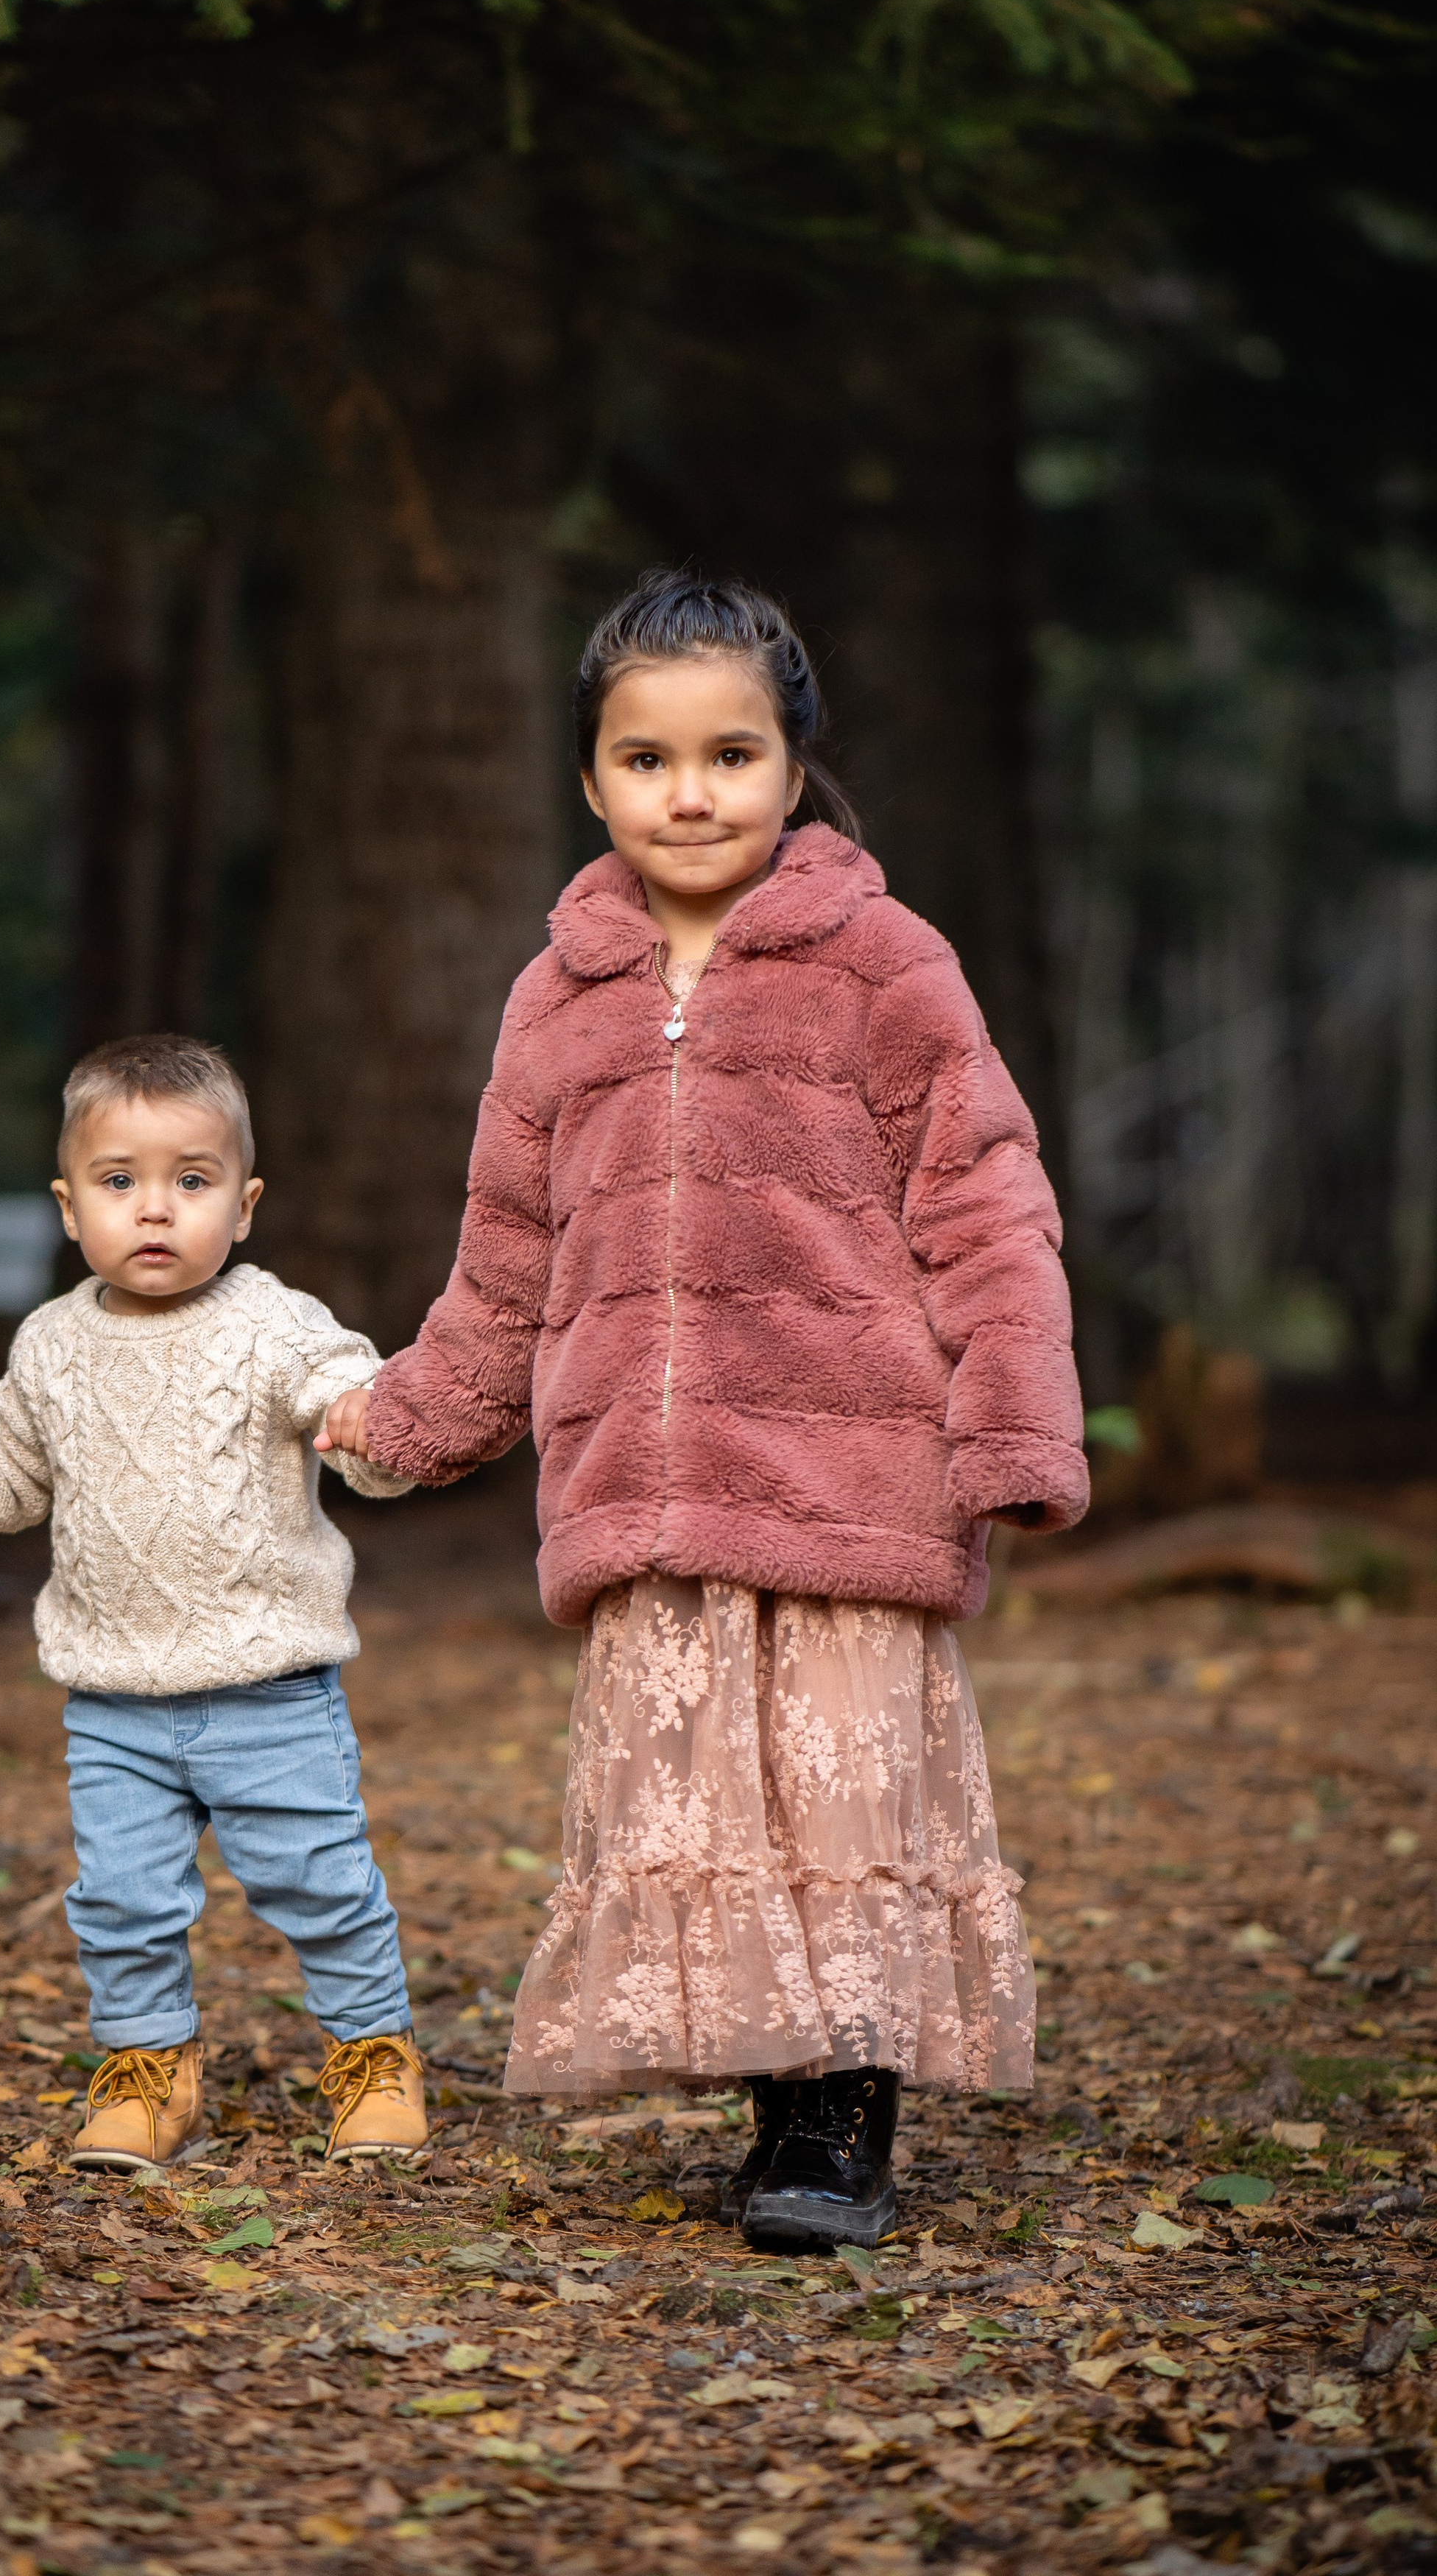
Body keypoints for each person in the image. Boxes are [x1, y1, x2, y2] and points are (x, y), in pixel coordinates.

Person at [319, 570, 1087, 2251]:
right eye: (648, 759)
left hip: (846, 1477)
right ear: (590, 782)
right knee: (701, 1808)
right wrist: (401, 1418)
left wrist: (1013, 1425)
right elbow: (506, 1261)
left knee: (837, 1798)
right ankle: (773, 2110)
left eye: (730, 754)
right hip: (646, 1495)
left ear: (792, 769)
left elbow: (982, 1201)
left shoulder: (883, 965)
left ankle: (836, 2134)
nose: (690, 792)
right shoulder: (557, 999)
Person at [0, 1032, 428, 2174]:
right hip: (113, 1695)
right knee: (120, 1902)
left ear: (244, 1206)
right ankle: (151, 2069)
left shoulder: (276, 1323)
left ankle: (373, 2054)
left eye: (191, 1182)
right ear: (70, 1208)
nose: (154, 1211)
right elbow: (7, 1468)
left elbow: (362, 1426)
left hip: (269, 1688)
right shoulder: (53, 1344)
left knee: (321, 1884)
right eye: (121, 1184)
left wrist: (380, 1427)